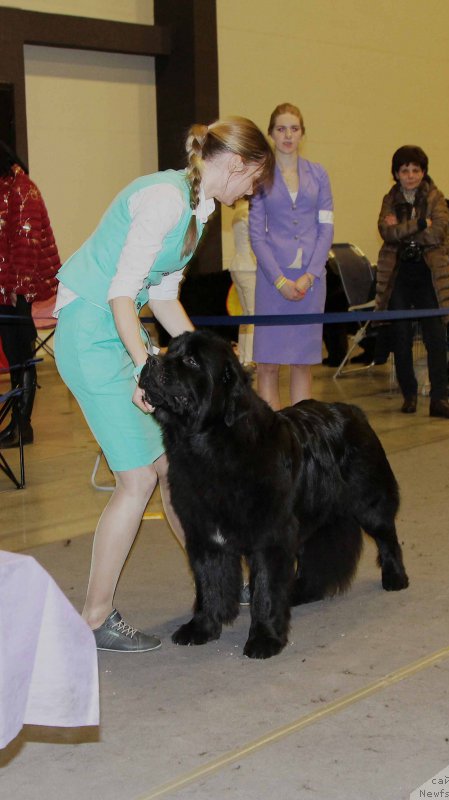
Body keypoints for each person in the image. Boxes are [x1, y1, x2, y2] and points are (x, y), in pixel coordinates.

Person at [53, 117, 274, 652]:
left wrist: (217, 364)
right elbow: (122, 296)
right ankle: (95, 617)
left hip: (118, 331)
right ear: (239, 164)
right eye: (254, 182)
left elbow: (164, 300)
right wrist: (144, 372)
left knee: (175, 470)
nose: (251, 195)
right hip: (92, 334)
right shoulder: (165, 200)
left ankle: (217, 582)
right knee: (138, 482)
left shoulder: (199, 209)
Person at [249, 103, 333, 409]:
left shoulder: (319, 175)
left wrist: (311, 274)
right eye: (281, 129)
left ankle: (301, 435)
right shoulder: (260, 176)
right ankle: (271, 438)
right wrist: (280, 280)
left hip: (311, 280)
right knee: (268, 364)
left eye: (294, 129)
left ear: (302, 134)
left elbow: (326, 228)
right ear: (271, 134)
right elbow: (256, 235)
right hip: (273, 281)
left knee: (302, 362)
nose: (287, 135)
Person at [375, 145, 449, 419]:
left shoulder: (436, 196)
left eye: (416, 170)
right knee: (400, 336)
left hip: (429, 274)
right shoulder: (389, 198)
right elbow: (385, 231)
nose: (411, 176)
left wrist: (406, 228)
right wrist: (420, 223)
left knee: (436, 338)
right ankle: (409, 394)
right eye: (405, 170)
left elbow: (438, 233)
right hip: (399, 273)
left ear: (423, 172)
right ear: (396, 174)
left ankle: (439, 399)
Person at [0, 141, 60, 447]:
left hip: (17, 293)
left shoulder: (22, 190)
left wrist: (15, 291)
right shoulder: (5, 188)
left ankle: (22, 426)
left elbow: (25, 248)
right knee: (15, 358)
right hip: (6, 290)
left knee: (21, 358)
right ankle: (17, 425)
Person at [229, 198, 256, 366]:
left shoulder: (238, 211)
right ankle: (250, 357)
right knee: (253, 314)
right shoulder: (248, 212)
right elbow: (256, 241)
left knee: (246, 315)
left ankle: (244, 357)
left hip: (237, 265)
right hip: (248, 266)